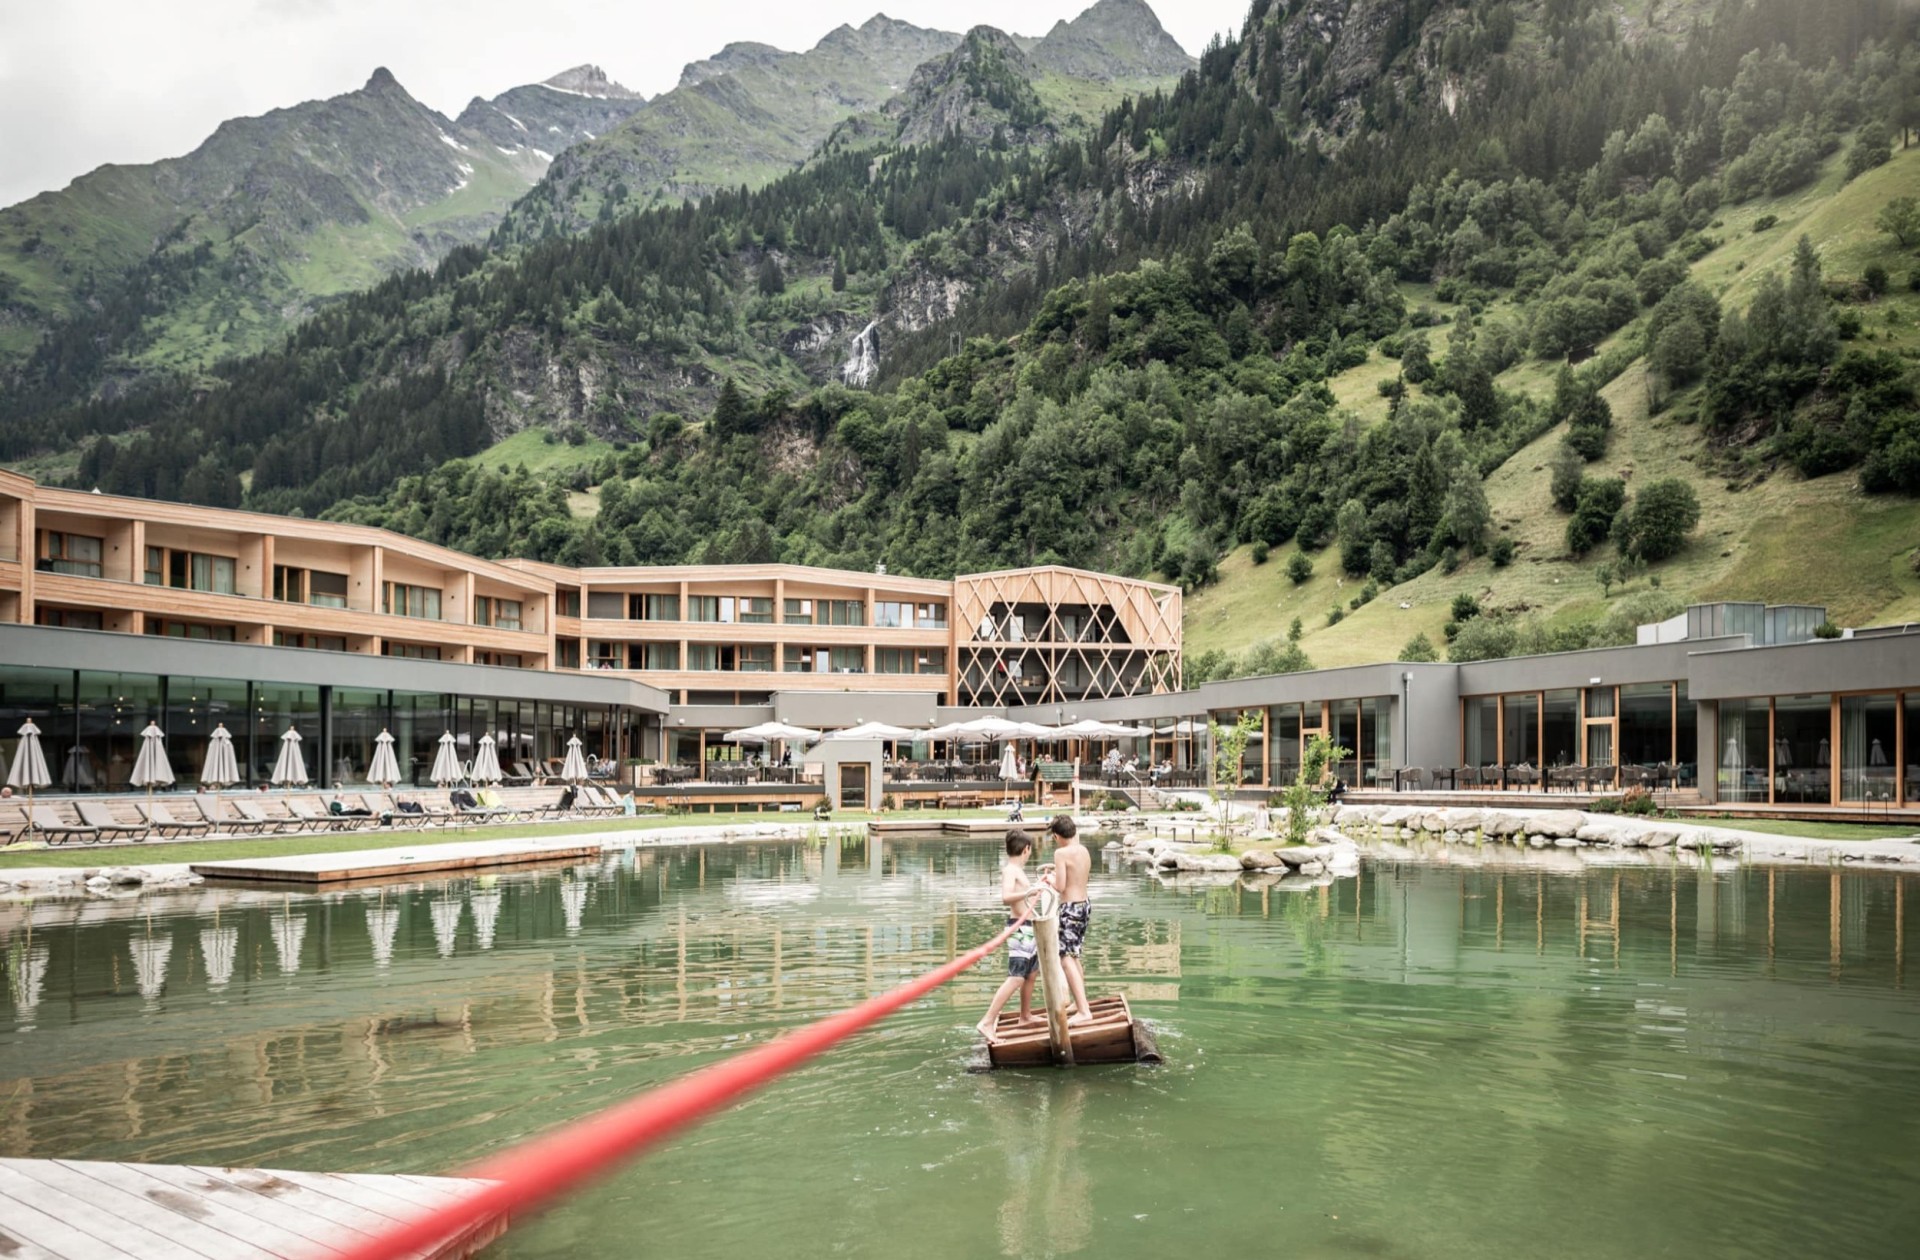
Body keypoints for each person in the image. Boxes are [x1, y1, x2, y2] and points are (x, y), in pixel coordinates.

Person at [977, 830, 1045, 1040]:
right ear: (1027, 849)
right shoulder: (1010, 870)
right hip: (1018, 928)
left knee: (1031, 974)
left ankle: (1025, 1015)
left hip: (1028, 927)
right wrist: (1029, 892)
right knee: (1016, 978)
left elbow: (1023, 898)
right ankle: (987, 1022)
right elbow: (1006, 897)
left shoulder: (1018, 870)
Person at [1041, 814, 1094, 1026]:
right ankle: (1079, 1003)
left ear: (1057, 836)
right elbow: (1078, 877)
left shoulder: (1060, 853)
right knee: (1075, 955)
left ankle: (1083, 1010)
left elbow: (1061, 886)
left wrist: (1048, 878)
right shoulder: (1083, 850)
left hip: (1070, 908)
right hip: (1084, 905)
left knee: (1065, 958)